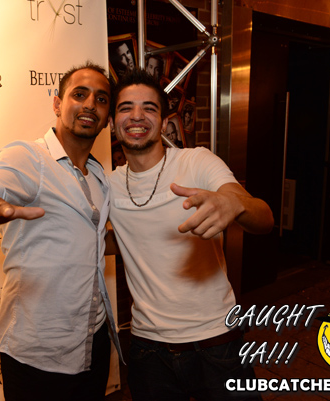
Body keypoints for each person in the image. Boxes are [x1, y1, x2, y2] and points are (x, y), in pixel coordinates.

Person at [0, 62, 122, 401]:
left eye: (101, 99)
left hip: (93, 340)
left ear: (107, 119)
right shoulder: (28, 158)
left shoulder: (99, 175)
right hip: (38, 353)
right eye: (79, 94)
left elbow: (91, 241)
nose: (90, 104)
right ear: (57, 104)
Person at [107, 69, 274, 400]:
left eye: (149, 108)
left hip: (217, 342)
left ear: (164, 121)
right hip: (148, 351)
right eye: (126, 108)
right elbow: (122, 239)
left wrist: (233, 204)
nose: (137, 116)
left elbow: (264, 218)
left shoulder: (197, 161)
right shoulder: (108, 185)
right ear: (112, 123)